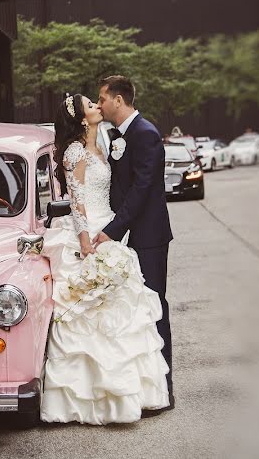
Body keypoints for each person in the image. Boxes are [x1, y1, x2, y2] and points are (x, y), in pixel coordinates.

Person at [40, 92, 170, 424]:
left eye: (98, 102)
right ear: (83, 119)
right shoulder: (75, 152)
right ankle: (89, 399)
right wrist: (85, 244)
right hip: (89, 234)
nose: (98, 107)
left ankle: (132, 394)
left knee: (123, 311)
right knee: (85, 315)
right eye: (92, 105)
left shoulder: (104, 145)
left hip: (108, 227)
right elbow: (77, 203)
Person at [93, 75, 175, 403]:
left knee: (155, 306)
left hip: (149, 236)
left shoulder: (146, 134)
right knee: (135, 310)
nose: (99, 104)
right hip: (126, 234)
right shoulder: (120, 136)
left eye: (102, 98)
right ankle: (143, 384)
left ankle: (164, 388)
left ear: (118, 99)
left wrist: (112, 229)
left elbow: (142, 189)